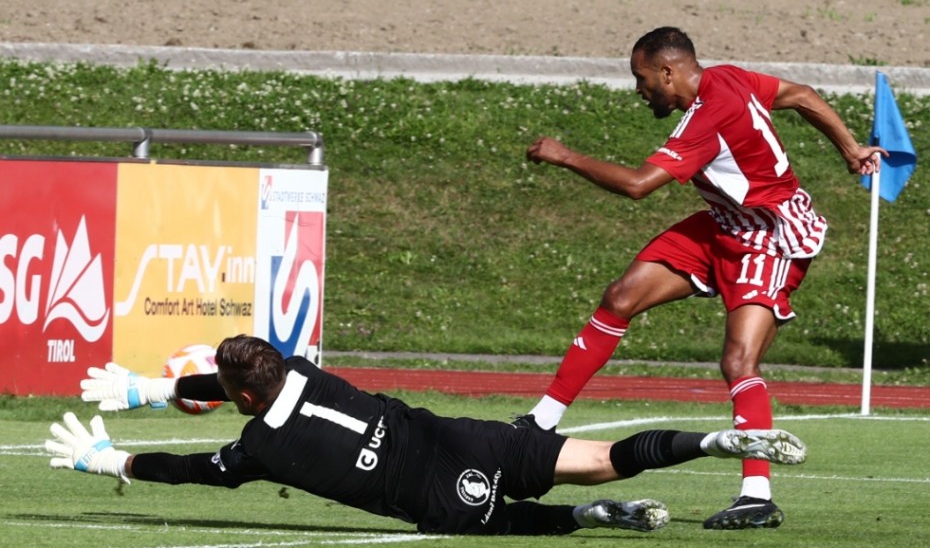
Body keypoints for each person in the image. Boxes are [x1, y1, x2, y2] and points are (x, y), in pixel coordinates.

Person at [518, 25, 886, 530]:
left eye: (642, 77)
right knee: (622, 296)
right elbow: (802, 95)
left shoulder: (706, 119)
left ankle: (757, 496)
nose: (639, 88)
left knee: (738, 361)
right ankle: (539, 422)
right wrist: (850, 148)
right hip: (722, 225)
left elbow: (638, 186)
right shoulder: (728, 77)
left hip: (769, 235)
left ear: (668, 72)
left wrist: (565, 156)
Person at [47, 335, 806, 536]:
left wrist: (111, 458)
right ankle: (714, 443)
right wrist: (154, 389)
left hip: (438, 494)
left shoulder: (261, 451)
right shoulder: (302, 370)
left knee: (512, 521)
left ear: (243, 398)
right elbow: (244, 383)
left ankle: (588, 517)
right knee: (605, 455)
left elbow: (193, 470)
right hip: (465, 439)